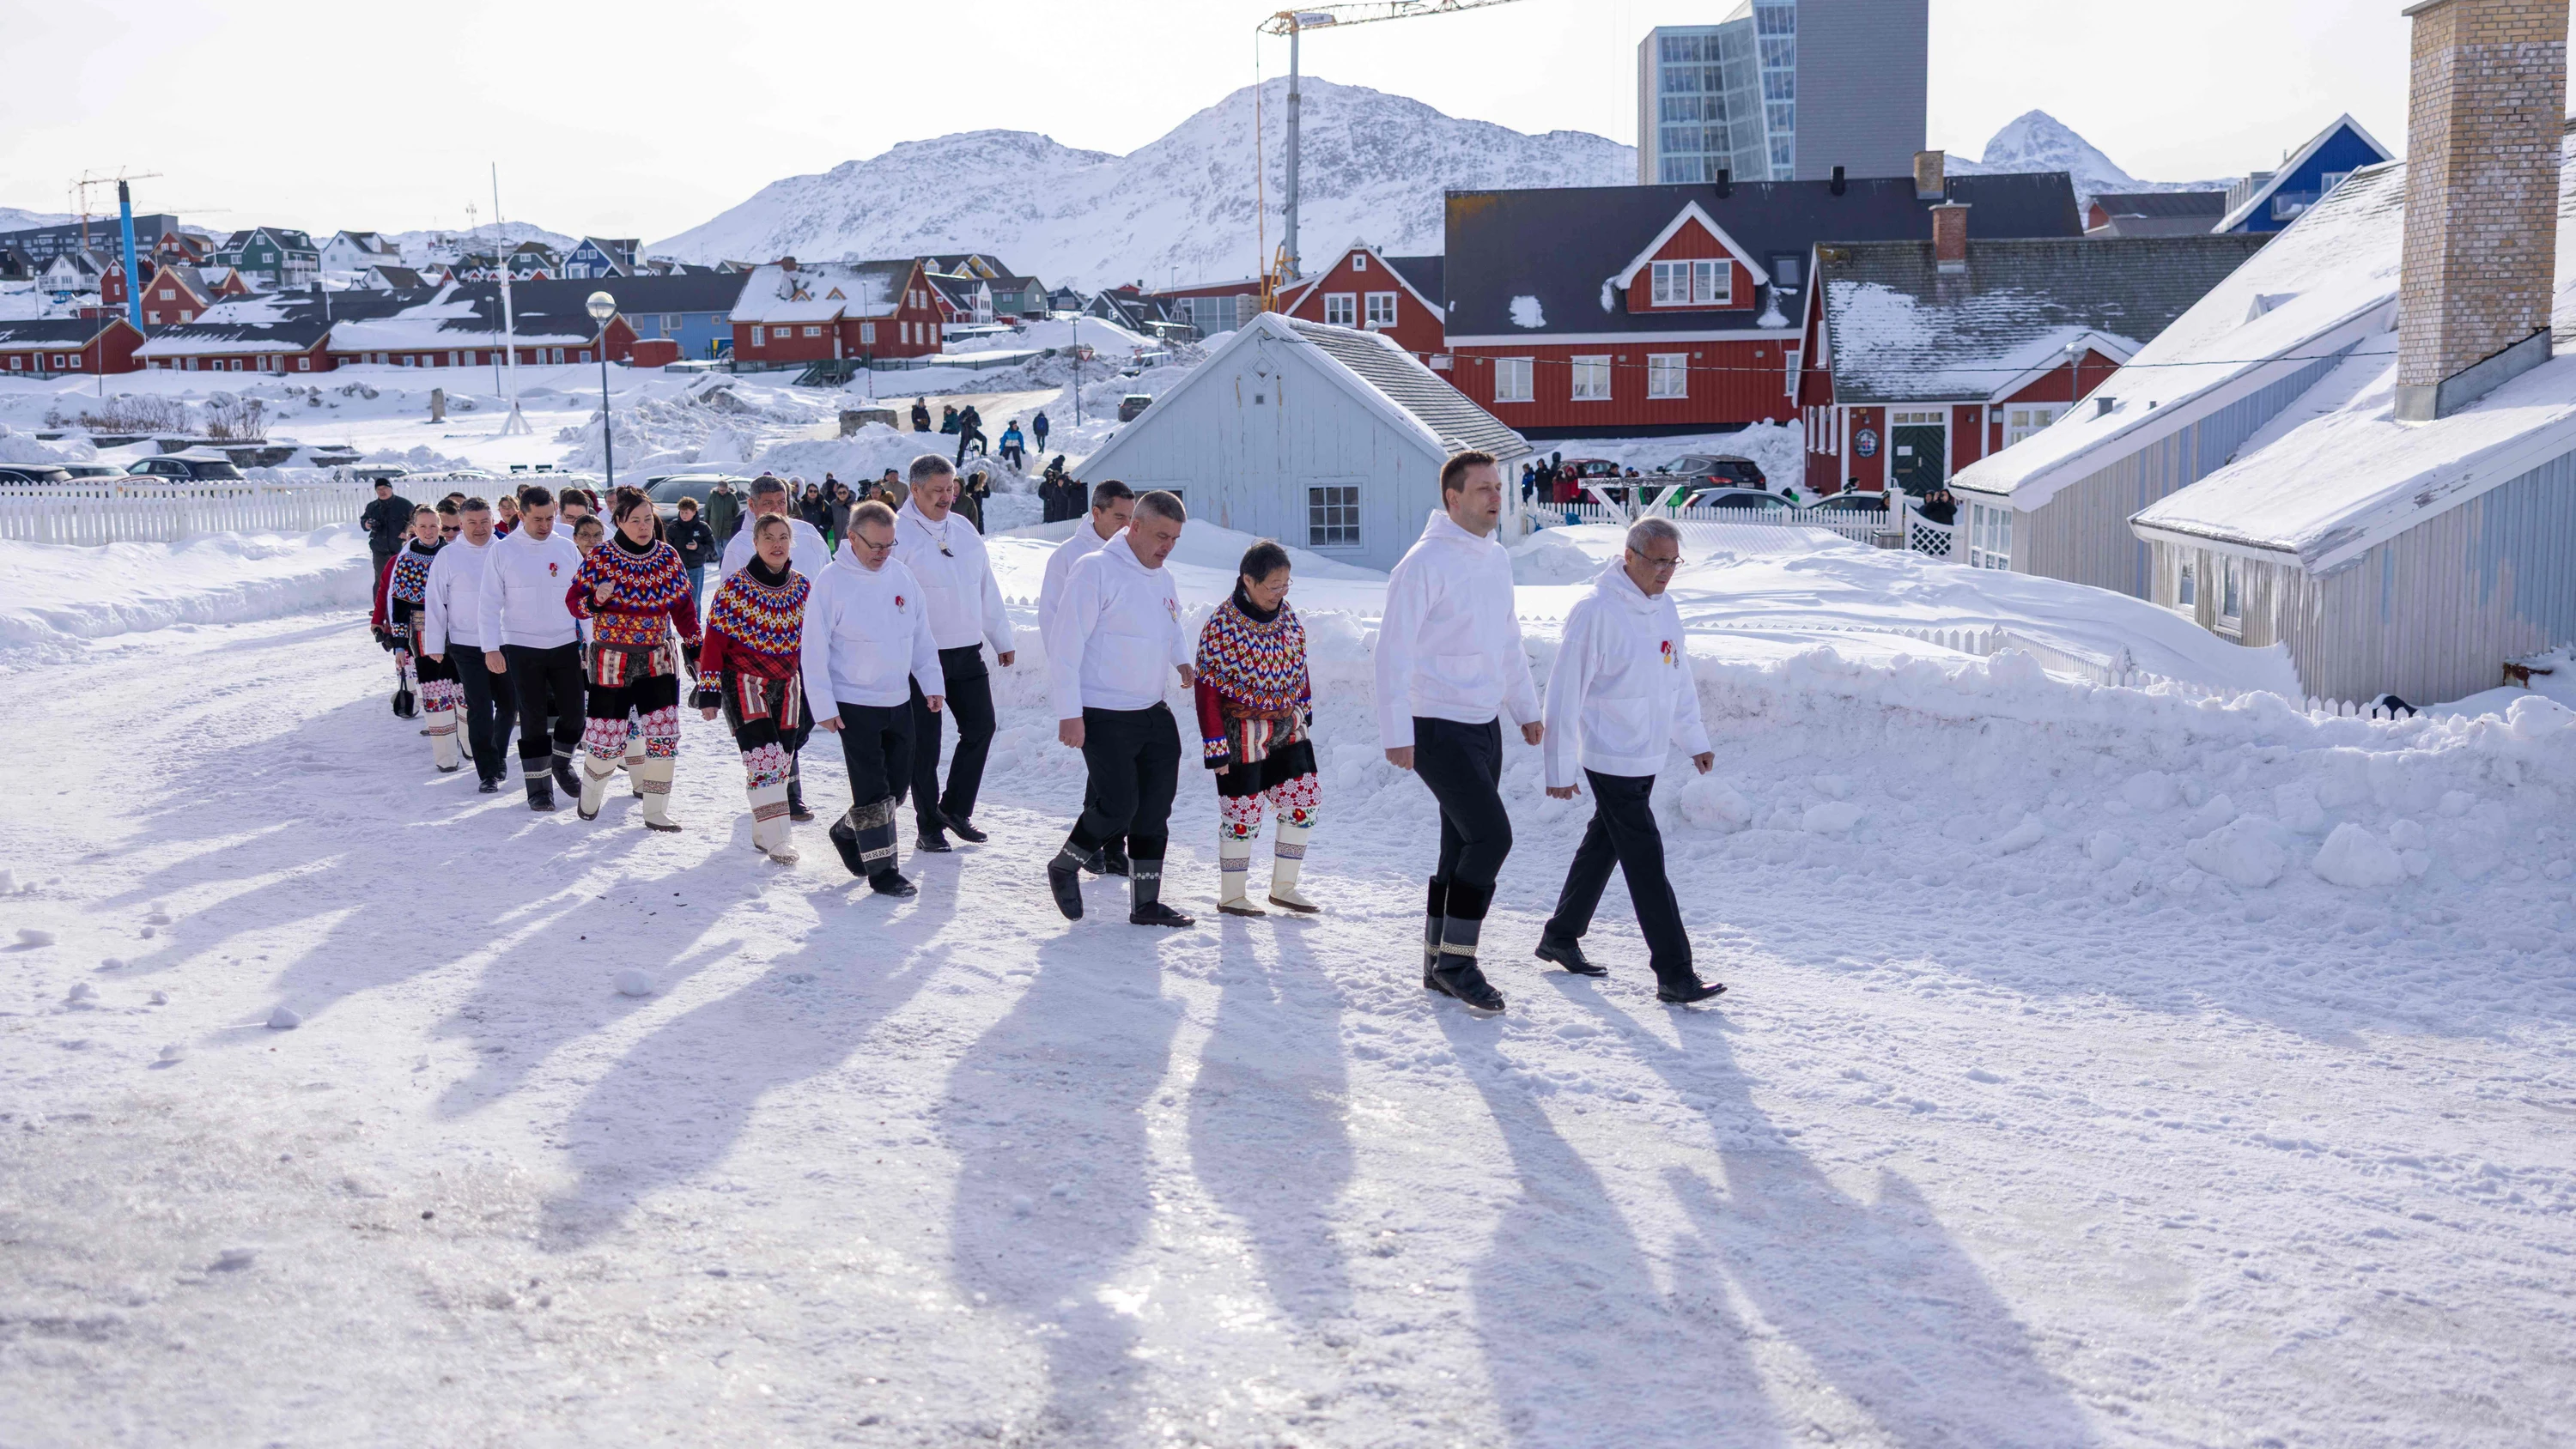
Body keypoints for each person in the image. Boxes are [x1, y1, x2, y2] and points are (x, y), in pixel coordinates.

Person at [1376, 450, 1542, 1016]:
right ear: (1453, 499)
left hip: (1483, 723)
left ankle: (1435, 960)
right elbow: (1391, 652)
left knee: (1462, 844)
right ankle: (1458, 963)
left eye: (1499, 487)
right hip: (1434, 725)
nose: (1496, 497)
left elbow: (1507, 639)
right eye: (1483, 489)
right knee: (1492, 839)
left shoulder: (1495, 559)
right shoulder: (1424, 563)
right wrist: (1397, 730)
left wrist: (1525, 707)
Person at [1535, 518, 1726, 1004]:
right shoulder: (1595, 611)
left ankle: (1561, 935)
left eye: (1673, 562)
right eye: (1658, 561)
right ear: (1630, 556)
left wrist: (1693, 738)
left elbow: (1676, 678)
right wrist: (1558, 768)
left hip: (1647, 752)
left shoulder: (1666, 609)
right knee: (1645, 860)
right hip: (1608, 752)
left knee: (1605, 843)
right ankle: (1674, 972)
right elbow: (1563, 694)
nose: (1666, 572)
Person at [1043, 490, 1195, 926]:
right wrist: (1069, 712)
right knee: (1118, 805)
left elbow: (1171, 624)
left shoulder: (1163, 577)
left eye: (1175, 539)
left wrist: (1181, 658)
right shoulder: (1095, 571)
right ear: (1136, 527)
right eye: (1161, 535)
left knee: (1154, 810)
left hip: (1153, 710)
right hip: (1104, 712)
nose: (1167, 546)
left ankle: (1146, 903)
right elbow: (1065, 645)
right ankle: (1066, 864)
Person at [801, 501, 945, 897]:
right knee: (872, 790)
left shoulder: (902, 577)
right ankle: (884, 873)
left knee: (897, 790)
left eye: (889, 544)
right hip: (853, 703)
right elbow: (813, 649)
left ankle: (847, 831)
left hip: (898, 699)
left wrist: (932, 683)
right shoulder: (831, 583)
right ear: (851, 538)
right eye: (875, 546)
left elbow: (920, 636)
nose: (883, 553)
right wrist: (824, 706)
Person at [890, 455, 1015, 851]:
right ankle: (928, 827)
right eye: (938, 491)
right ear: (915, 490)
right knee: (925, 746)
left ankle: (955, 809)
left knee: (981, 727)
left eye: (951, 488)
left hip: (966, 651)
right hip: (919, 657)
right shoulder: (897, 535)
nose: (947, 497)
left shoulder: (963, 529)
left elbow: (985, 585)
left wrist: (1002, 637)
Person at [1195, 539, 1319, 917]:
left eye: (1286, 585)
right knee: (1243, 814)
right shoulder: (1221, 626)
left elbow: (1299, 663)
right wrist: (1215, 745)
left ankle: (1284, 887)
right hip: (1241, 733)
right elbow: (1207, 689)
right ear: (1248, 579)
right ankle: (1232, 895)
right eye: (1273, 586)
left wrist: (1305, 705)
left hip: (1287, 725)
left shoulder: (1288, 616)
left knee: (1303, 802)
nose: (1281, 593)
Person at [566, 487, 702, 829]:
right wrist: (595, 599)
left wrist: (695, 647)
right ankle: (590, 797)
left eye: (647, 519)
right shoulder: (601, 557)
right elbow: (572, 601)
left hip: (657, 658)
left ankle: (655, 811)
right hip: (612, 660)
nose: (643, 526)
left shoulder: (668, 557)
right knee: (606, 738)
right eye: (634, 520)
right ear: (619, 522)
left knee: (663, 735)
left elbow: (684, 608)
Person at [694, 515, 816, 865]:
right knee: (764, 760)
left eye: (783, 537)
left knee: (783, 762)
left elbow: (817, 643)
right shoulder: (734, 588)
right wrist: (709, 694)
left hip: (789, 684)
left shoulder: (804, 588)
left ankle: (764, 833)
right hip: (744, 683)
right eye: (769, 538)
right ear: (756, 543)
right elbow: (714, 644)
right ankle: (780, 841)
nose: (777, 544)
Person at [1040, 479, 1137, 875]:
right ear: (1095, 513)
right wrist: (1068, 679)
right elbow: (1051, 621)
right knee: (1106, 770)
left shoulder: (1133, 554)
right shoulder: (1068, 557)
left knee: (1120, 769)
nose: (1127, 526)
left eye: (1132, 518)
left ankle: (1113, 846)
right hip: (1087, 681)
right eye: (1119, 517)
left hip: (1124, 681)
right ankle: (1095, 845)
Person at [476, 484, 586, 811]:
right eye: (537, 518)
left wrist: (591, 645)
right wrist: (490, 647)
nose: (545, 525)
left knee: (576, 715)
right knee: (534, 718)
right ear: (521, 515)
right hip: (521, 646)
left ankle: (561, 763)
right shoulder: (503, 551)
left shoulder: (567, 549)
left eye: (550, 518)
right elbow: (488, 604)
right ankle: (538, 789)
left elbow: (583, 602)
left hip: (564, 643)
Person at [422, 496, 515, 792]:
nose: (479, 528)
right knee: (478, 707)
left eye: (485, 522)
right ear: (460, 524)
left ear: (492, 521)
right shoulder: (448, 556)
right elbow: (435, 602)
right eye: (472, 523)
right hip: (466, 644)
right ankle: (487, 771)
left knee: (510, 703)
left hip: (503, 642)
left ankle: (498, 755)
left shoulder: (505, 551)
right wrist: (434, 644)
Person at [378, 507, 459, 770]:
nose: (428, 531)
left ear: (441, 526)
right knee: (436, 691)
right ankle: (445, 756)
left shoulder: (452, 554)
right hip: (422, 634)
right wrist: (400, 646)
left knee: (462, 689)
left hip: (458, 632)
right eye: (422, 526)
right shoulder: (407, 560)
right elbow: (400, 606)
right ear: (414, 527)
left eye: (433, 526)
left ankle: (470, 744)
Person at [668, 496, 718, 610]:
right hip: (678, 569)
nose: (684, 515)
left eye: (686, 512)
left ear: (694, 512)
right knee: (677, 599)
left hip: (696, 569)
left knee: (694, 600)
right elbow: (667, 545)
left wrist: (698, 548)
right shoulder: (673, 526)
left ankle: (696, 625)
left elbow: (711, 547)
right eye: (682, 512)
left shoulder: (703, 528)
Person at [361, 477, 414, 573]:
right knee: (380, 581)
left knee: (400, 577)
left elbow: (415, 520)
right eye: (379, 489)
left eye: (385, 488)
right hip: (379, 552)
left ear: (391, 488)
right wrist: (366, 524)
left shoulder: (404, 505)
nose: (382, 491)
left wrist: (406, 531)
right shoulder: (372, 507)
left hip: (400, 550)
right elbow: (364, 519)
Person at [706, 476, 743, 544]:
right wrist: (706, 521)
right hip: (714, 525)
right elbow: (707, 509)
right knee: (715, 544)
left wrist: (731, 520)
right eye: (720, 490)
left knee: (726, 544)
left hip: (727, 526)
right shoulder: (713, 496)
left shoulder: (732, 497)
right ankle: (720, 555)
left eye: (724, 490)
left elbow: (736, 511)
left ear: (727, 489)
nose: (722, 492)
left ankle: (724, 555)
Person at [825, 477, 853, 545]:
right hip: (837, 539)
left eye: (844, 492)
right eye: (840, 493)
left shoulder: (854, 504)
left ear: (848, 493)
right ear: (837, 494)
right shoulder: (833, 504)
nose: (842, 495)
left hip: (851, 539)